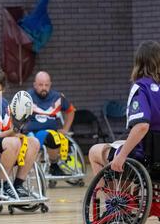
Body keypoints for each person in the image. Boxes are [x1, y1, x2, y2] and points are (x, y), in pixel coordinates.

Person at [89, 40, 160, 175]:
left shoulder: (141, 87)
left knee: (94, 152)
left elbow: (142, 126)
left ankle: (109, 197)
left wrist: (122, 155)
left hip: (145, 157)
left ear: (139, 62)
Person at [24, 71, 76, 176]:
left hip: (52, 132)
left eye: (46, 85)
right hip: (32, 133)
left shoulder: (57, 97)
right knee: (50, 137)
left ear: (50, 84)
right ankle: (54, 165)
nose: (44, 87)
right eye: (40, 84)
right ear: (35, 85)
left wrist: (65, 129)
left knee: (54, 137)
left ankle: (54, 164)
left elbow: (71, 111)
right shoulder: (26, 97)